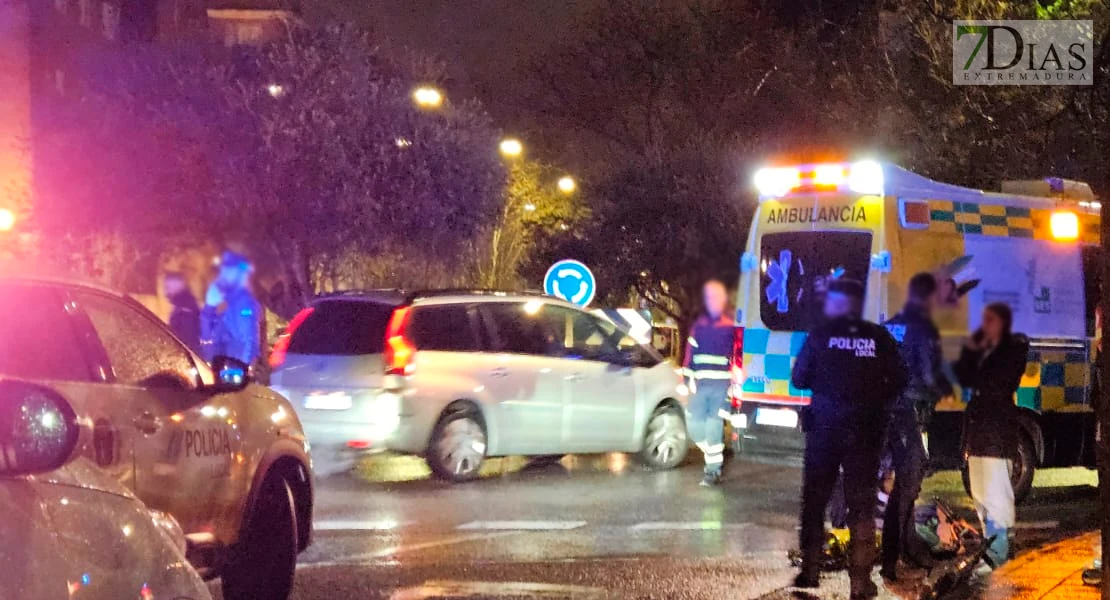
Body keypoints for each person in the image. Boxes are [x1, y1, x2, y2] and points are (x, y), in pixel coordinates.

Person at [791, 279, 907, 599]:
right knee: (862, 507)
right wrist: (873, 399)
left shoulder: (820, 337)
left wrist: (826, 384)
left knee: (815, 501)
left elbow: (798, 378)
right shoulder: (878, 337)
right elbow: (900, 378)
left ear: (841, 304)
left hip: (824, 431)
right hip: (865, 433)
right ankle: (860, 582)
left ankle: (810, 571)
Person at [880, 273, 953, 579]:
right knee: (909, 485)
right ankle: (897, 557)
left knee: (900, 485)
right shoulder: (923, 327)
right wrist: (943, 387)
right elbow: (926, 371)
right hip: (913, 411)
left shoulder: (891, 324)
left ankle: (899, 552)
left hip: (890, 412)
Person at [952, 302, 1028, 568]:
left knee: (997, 495)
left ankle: (1000, 551)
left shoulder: (1013, 348)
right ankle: (991, 546)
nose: (985, 325)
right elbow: (963, 373)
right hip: (978, 433)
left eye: (990, 320)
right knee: (980, 494)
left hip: (997, 434)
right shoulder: (982, 349)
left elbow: (998, 379)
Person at [682, 279, 735, 487]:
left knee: (713, 427)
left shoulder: (730, 327)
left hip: (722, 386)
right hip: (702, 385)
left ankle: (712, 472)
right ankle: (714, 453)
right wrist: (686, 379)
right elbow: (690, 355)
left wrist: (735, 382)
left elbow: (737, 355)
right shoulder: (700, 326)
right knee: (693, 425)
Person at [200, 251, 262, 366]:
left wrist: (244, 366)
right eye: (224, 270)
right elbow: (208, 337)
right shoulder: (220, 297)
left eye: (229, 270)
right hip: (220, 363)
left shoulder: (243, 302)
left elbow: (248, 339)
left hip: (236, 366)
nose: (225, 274)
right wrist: (208, 309)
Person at [164, 272, 201, 353]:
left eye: (167, 288)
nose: (166, 293)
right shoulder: (183, 308)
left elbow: (188, 342)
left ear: (177, 286)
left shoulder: (186, 311)